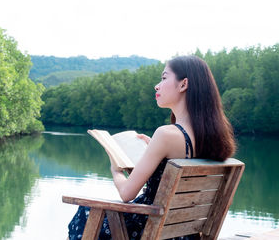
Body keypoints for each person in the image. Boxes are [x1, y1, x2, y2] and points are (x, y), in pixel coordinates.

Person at [67, 55, 236, 240]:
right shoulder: (212, 138)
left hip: (149, 230)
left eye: (164, 78)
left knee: (85, 213)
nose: (157, 85)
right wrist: (154, 153)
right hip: (184, 235)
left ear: (183, 84)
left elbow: (126, 194)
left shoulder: (166, 135)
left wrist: (115, 170)